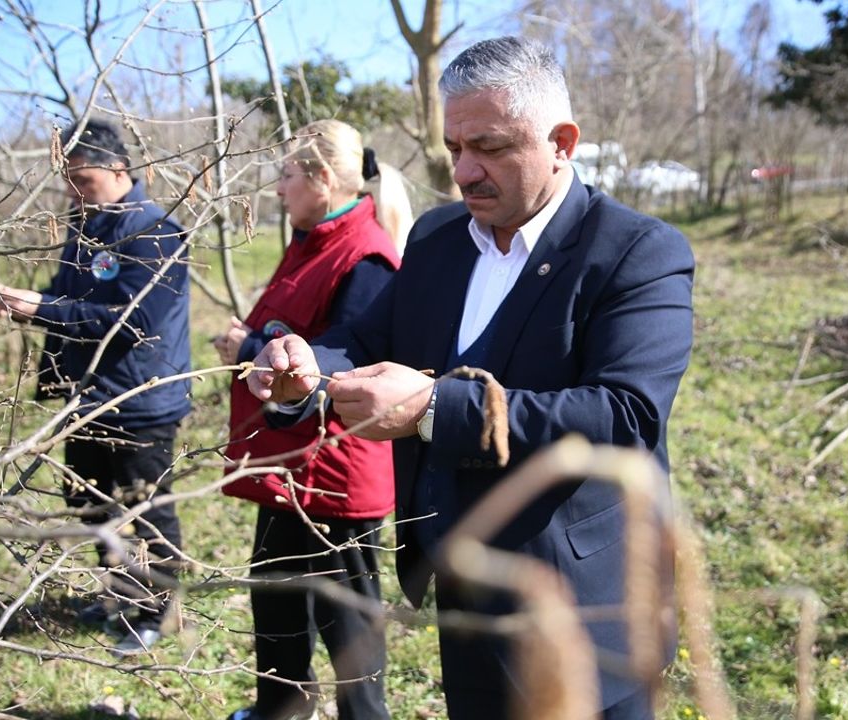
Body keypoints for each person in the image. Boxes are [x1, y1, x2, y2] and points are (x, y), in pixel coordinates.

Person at [247, 37, 695, 720]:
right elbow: (361, 341)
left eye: (489, 147)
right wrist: (305, 368)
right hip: (464, 585)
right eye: (455, 147)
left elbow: (625, 414)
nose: (465, 170)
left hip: (588, 605)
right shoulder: (437, 240)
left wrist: (434, 407)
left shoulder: (637, 251)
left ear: (562, 142)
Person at [216, 119, 410, 720]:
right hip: (287, 459)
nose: (277, 188)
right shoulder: (312, 241)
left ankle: (365, 717)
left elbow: (340, 366)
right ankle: (281, 708)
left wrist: (249, 349)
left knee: (346, 612)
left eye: (286, 175)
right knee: (273, 592)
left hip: (334, 468)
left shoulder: (366, 258)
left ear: (323, 179)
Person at [0, 119, 191, 656]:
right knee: (96, 505)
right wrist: (28, 302)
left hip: (138, 399)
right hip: (89, 396)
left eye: (84, 179)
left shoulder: (154, 231)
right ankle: (119, 593)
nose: (75, 190)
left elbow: (130, 319)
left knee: (146, 509)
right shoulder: (87, 226)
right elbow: (67, 293)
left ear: (118, 169)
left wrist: (45, 308)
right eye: (68, 179)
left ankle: (156, 611)